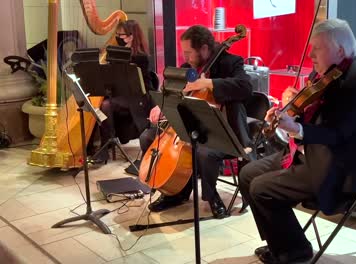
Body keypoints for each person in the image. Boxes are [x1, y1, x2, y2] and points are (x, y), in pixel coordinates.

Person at [239, 18, 356, 263]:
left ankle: (294, 251)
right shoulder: (328, 74)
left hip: (337, 169)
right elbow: (313, 116)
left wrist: (296, 128)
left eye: (317, 48)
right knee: (247, 173)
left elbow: (337, 134)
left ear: (339, 50)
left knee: (261, 188)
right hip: (311, 155)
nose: (311, 55)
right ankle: (281, 242)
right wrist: (291, 106)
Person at [143, 25, 252, 219]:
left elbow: (245, 87)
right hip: (189, 128)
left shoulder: (231, 62)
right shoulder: (188, 69)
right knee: (148, 137)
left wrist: (209, 83)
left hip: (223, 131)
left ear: (203, 49)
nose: (185, 58)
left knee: (204, 152)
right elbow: (172, 91)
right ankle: (174, 192)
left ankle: (212, 197)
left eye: (188, 52)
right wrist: (162, 105)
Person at [95, 20, 154, 162]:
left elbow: (142, 86)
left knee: (105, 105)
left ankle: (105, 145)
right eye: (117, 34)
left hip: (137, 98)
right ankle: (102, 144)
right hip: (121, 95)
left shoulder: (141, 57)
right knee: (100, 104)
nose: (118, 37)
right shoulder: (116, 54)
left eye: (120, 35)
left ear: (131, 36)